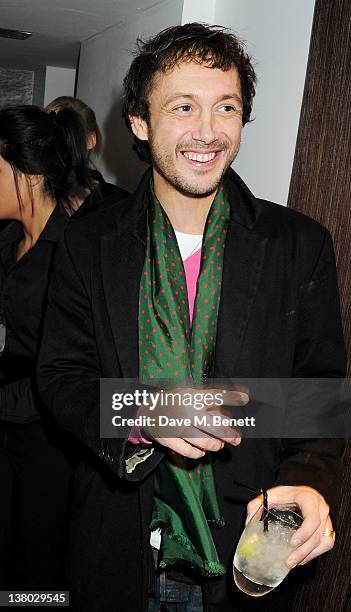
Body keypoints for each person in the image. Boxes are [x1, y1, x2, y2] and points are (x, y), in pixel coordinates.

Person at [37, 23, 346, 612]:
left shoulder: (298, 244)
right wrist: (149, 409)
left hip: (247, 542)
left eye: (225, 107)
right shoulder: (90, 240)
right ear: (140, 122)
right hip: (117, 539)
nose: (207, 132)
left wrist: (309, 480)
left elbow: (321, 394)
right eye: (183, 107)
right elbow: (59, 376)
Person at [0, 104, 99, 589]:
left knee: (38, 571)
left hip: (48, 435)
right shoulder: (8, 239)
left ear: (29, 175)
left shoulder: (73, 252)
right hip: (9, 420)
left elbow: (64, 371)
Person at [45, 96, 129, 216]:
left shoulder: (119, 204)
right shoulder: (28, 195)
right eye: (53, 136)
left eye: (70, 136)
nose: (61, 145)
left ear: (90, 141)